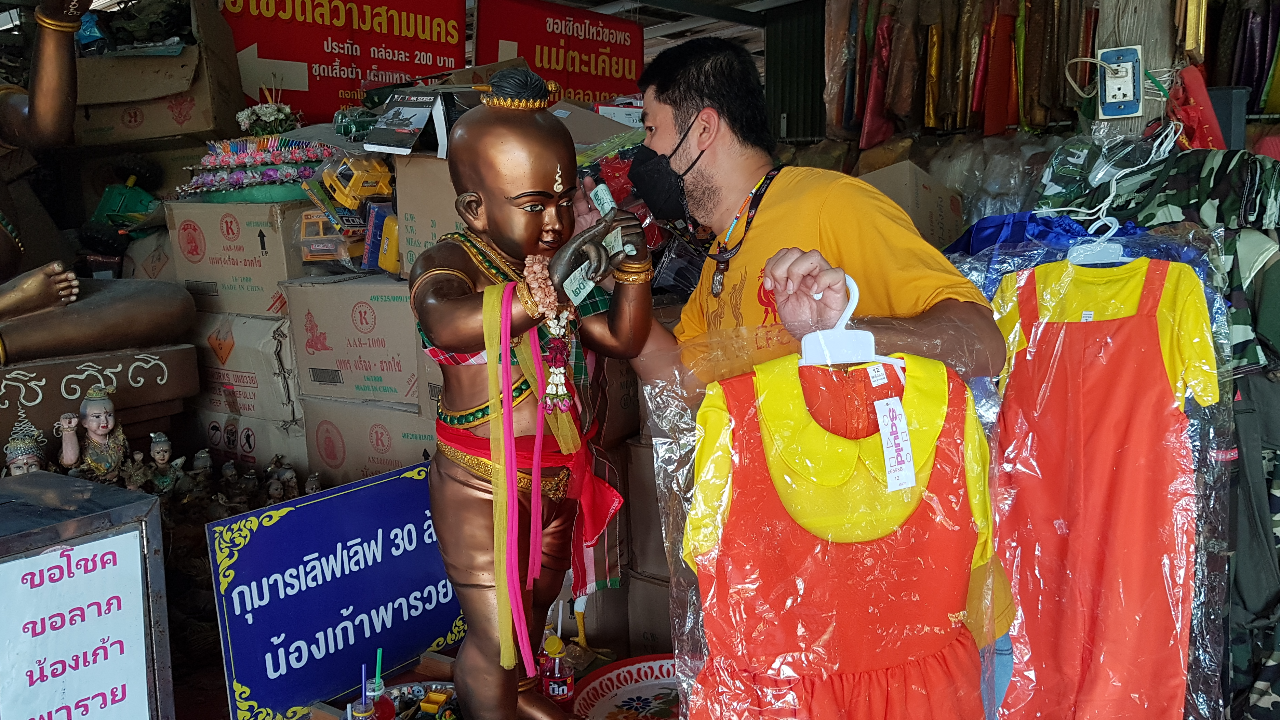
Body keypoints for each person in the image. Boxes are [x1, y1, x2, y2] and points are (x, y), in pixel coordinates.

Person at [572, 38, 1016, 713]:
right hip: (793, 621)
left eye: (651, 132)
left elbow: (983, 344)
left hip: (893, 615)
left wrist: (846, 335)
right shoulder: (724, 254)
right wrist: (609, 285)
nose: (644, 160)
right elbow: (685, 381)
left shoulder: (833, 207)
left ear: (704, 128)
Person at [409, 67, 650, 720]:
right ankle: (497, 699)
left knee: (533, 616)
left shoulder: (553, 263)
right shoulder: (449, 261)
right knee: (496, 635)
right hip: (483, 481)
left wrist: (632, 272)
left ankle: (516, 699)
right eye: (533, 204)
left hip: (557, 474)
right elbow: (445, 321)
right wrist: (527, 299)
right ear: (474, 208)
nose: (555, 221)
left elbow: (619, 339)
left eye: (563, 200)